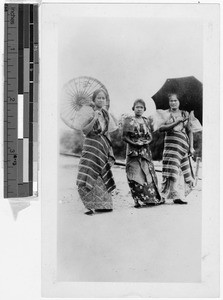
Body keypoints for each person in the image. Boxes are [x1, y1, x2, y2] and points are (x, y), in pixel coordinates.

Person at [76, 89, 117, 215]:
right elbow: (85, 131)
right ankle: (87, 206)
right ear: (93, 100)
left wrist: (110, 151)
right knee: (87, 172)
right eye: (98, 98)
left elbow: (107, 133)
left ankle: (102, 204)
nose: (101, 100)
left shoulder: (106, 114)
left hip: (102, 148)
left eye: (103, 98)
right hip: (91, 147)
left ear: (106, 100)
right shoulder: (88, 112)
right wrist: (94, 118)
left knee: (101, 174)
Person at [122, 99, 163, 208]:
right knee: (134, 173)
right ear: (133, 108)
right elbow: (124, 137)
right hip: (133, 151)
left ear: (144, 109)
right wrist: (135, 143)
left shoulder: (146, 121)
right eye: (137, 107)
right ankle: (137, 200)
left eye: (141, 107)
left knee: (147, 173)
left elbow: (150, 136)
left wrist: (145, 142)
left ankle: (150, 198)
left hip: (145, 151)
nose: (139, 109)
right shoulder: (129, 120)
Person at [159, 93, 194, 204]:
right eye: (171, 101)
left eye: (175, 100)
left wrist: (191, 147)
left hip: (183, 145)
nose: (173, 103)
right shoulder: (165, 114)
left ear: (179, 102)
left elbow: (189, 130)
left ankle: (177, 196)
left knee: (182, 170)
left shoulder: (185, 114)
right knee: (171, 169)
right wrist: (176, 122)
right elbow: (161, 128)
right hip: (170, 145)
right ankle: (163, 195)